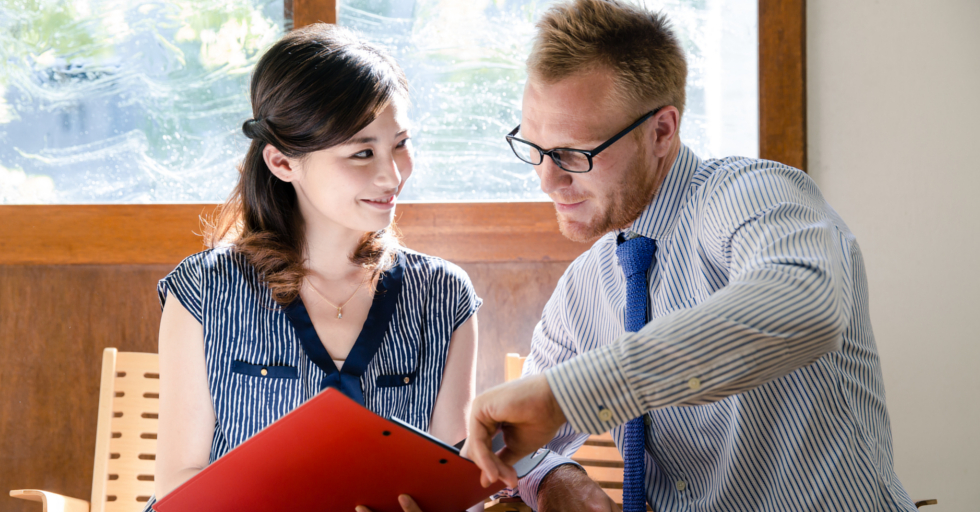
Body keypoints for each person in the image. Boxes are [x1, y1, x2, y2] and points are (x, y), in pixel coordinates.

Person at [462, 1, 916, 511]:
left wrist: (571, 393)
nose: (547, 180)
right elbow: (519, 439)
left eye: (575, 153)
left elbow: (803, 304)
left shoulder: (754, 194)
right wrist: (554, 478)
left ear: (661, 131)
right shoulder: (585, 288)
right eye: (535, 148)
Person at [145, 24, 481, 512]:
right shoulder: (204, 289)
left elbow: (451, 478)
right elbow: (176, 485)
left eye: (401, 143)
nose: (392, 174)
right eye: (362, 152)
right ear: (283, 163)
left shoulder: (445, 294)